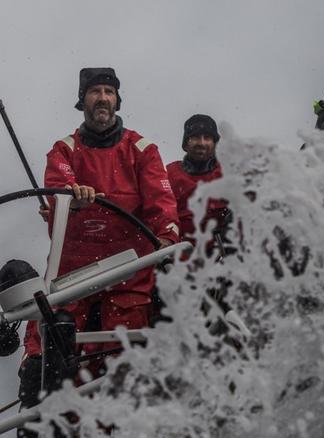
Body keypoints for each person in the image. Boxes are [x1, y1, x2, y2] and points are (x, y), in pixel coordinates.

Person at [18, 67, 180, 418]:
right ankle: (40, 419)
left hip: (129, 275)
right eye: (95, 92)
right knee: (43, 348)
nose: (103, 98)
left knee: (124, 362)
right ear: (83, 101)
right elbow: (58, 185)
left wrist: (167, 238)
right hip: (70, 277)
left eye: (109, 91)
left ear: (118, 100)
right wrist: (71, 198)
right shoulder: (64, 150)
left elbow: (162, 206)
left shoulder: (142, 151)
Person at [166, 114, 231, 258]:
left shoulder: (229, 173)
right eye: (195, 137)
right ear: (186, 143)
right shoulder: (169, 174)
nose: (201, 142)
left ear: (215, 143)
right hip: (178, 260)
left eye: (207, 137)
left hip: (223, 259)